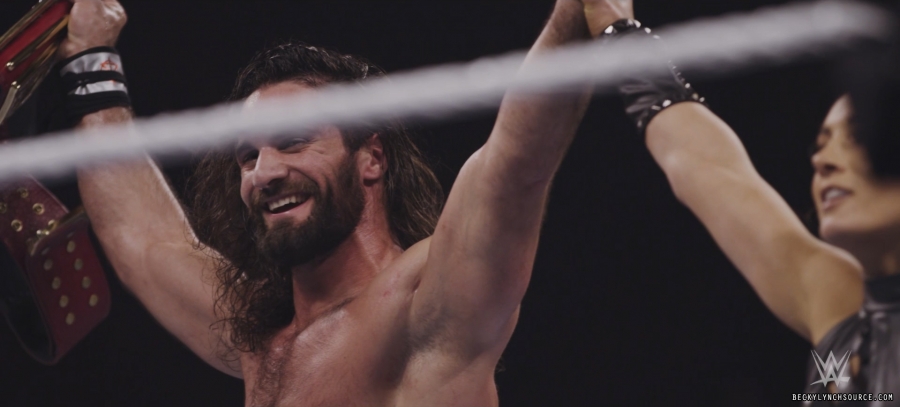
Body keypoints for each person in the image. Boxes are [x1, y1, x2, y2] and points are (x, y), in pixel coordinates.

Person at [63, 0, 630, 405]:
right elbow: (144, 240)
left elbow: (514, 167)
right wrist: (90, 54)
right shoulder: (259, 337)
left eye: (293, 141)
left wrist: (573, 14)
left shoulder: (424, 303)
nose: (264, 172)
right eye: (247, 156)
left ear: (371, 158)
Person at [584, 0, 900, 403]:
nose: (823, 161)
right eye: (820, 145)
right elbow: (707, 167)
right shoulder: (835, 300)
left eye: (857, 137)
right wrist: (618, 30)